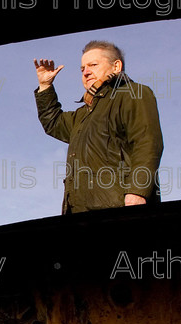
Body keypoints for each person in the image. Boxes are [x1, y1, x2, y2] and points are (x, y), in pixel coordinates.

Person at [34, 41, 163, 214]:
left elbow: (147, 143)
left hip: (119, 207)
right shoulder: (83, 114)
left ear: (116, 66)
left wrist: (137, 192)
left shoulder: (133, 94)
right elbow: (53, 123)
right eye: (82, 69)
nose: (86, 72)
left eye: (93, 65)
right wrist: (45, 87)